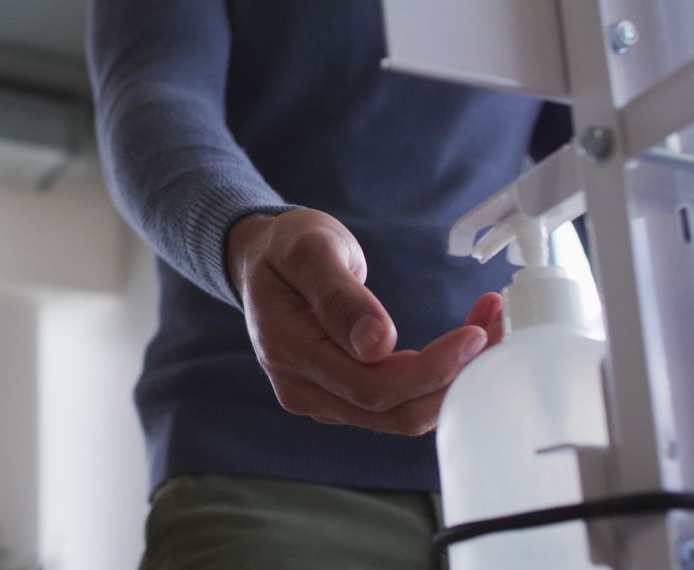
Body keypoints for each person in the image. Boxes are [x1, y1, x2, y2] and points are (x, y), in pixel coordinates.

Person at [88, 1, 570, 568]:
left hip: (526, 463)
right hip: (266, 463)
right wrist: (250, 237)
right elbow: (154, 93)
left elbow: (602, 151)